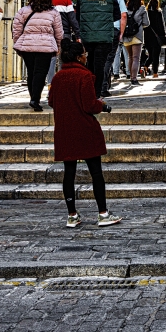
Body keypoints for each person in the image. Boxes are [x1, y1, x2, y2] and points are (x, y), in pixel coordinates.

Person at [48, 36, 121, 228]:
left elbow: (51, 101)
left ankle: (72, 215)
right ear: (80, 57)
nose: (86, 57)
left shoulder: (57, 78)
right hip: (85, 129)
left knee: (69, 173)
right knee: (96, 172)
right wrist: (103, 106)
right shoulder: (85, 76)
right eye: (85, 55)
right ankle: (103, 213)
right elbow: (89, 105)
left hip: (65, 129)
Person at [12, 0, 63, 111]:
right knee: (40, 73)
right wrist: (58, 46)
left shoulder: (23, 11)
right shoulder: (54, 13)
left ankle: (33, 97)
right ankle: (35, 98)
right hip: (45, 47)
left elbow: (16, 29)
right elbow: (59, 32)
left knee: (31, 72)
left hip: (27, 46)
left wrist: (18, 43)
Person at [76, 0, 119, 98]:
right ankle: (97, 92)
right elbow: (117, 15)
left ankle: (88, 91)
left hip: (87, 35)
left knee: (89, 63)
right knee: (100, 64)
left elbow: (77, 16)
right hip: (104, 36)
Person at [46, 0, 80, 88]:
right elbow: (72, 19)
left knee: (51, 59)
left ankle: (50, 84)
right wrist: (78, 35)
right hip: (64, 33)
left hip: (48, 33)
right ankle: (61, 84)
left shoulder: (44, 0)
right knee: (63, 59)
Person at [101, 0, 127, 98]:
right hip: (114, 29)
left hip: (98, 29)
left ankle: (99, 84)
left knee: (98, 58)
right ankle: (103, 86)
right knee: (109, 58)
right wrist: (121, 32)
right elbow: (123, 16)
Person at [123, 0, 149, 86]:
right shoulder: (142, 9)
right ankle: (134, 79)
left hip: (126, 36)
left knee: (130, 57)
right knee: (136, 58)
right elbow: (147, 23)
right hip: (137, 36)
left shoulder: (125, 8)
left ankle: (130, 76)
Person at [145, 0, 166, 79]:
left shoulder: (146, 13)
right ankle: (155, 72)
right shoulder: (158, 13)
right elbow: (161, 25)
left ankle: (145, 66)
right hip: (157, 37)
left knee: (151, 55)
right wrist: (164, 34)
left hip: (147, 37)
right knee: (156, 56)